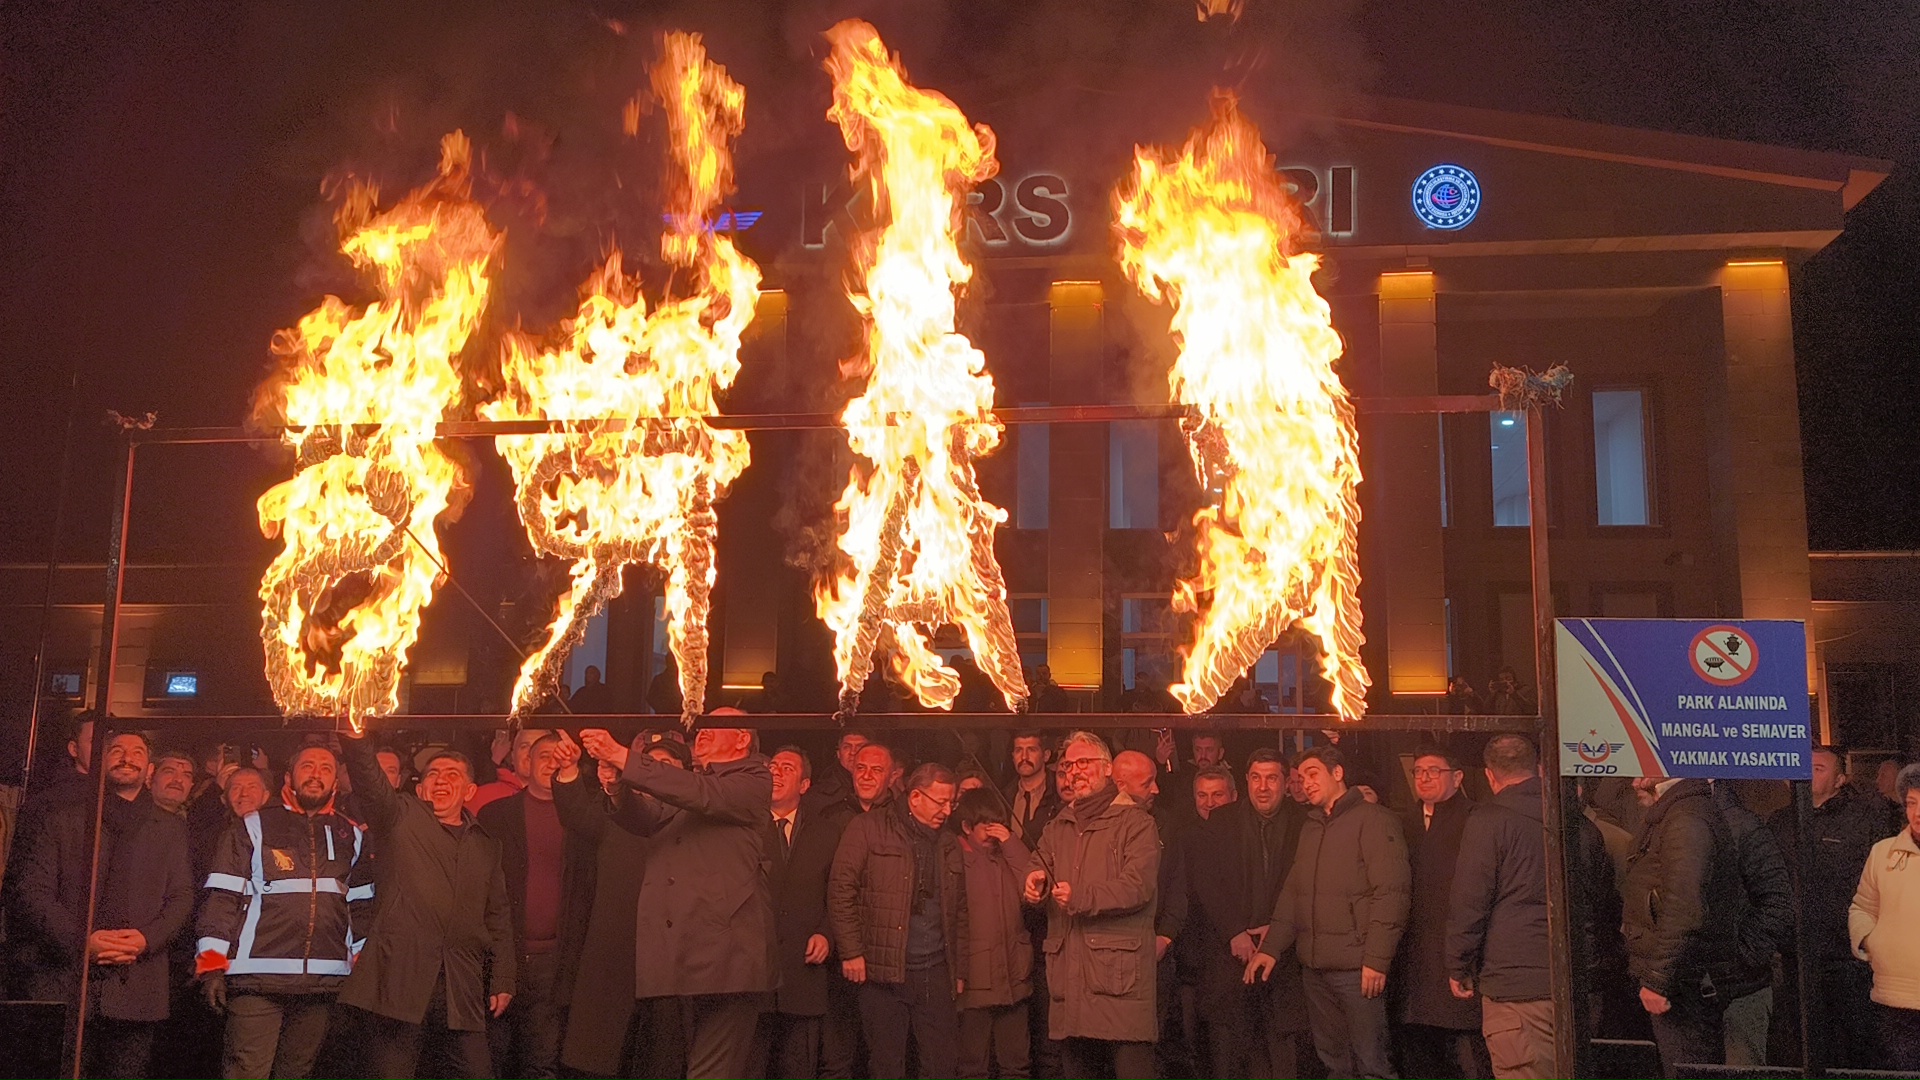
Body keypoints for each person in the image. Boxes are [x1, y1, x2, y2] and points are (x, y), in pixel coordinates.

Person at [579, 714, 775, 1080]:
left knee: (711, 1070)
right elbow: (649, 817)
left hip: (729, 954)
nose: (700, 732)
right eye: (699, 727)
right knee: (690, 1064)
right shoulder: (695, 782)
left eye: (713, 727)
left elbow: (703, 796)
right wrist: (618, 787)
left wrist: (624, 757)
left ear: (742, 740)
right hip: (687, 950)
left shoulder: (754, 778)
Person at [11, 729, 194, 1080]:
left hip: (138, 982)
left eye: (137, 751)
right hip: (67, 981)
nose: (127, 757)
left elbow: (181, 897)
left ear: (149, 768)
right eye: (116, 750)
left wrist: (145, 939)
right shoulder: (62, 819)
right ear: (99, 761)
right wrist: (84, 942)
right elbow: (34, 892)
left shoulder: (170, 828)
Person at [339, 736, 515, 1080]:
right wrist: (355, 736)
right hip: (400, 975)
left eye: (453, 775)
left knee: (476, 1072)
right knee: (393, 1073)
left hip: (460, 979)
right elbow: (369, 782)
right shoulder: (400, 817)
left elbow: (498, 916)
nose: (441, 780)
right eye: (433, 774)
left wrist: (504, 976)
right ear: (419, 789)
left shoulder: (486, 845)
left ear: (470, 791)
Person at [195, 744, 368, 1080]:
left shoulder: (353, 836)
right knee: (246, 1074)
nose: (316, 774)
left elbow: (362, 908)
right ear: (289, 776)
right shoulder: (252, 825)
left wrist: (360, 973)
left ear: (336, 781)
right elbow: (223, 898)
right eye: (307, 766)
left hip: (324, 983)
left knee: (296, 1075)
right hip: (257, 980)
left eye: (325, 768)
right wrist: (211, 967)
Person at [1246, 745, 1410, 1080]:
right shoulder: (1312, 826)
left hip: (1357, 969)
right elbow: (1295, 892)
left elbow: (1391, 894)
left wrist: (1376, 960)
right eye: (1301, 777)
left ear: (1338, 774)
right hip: (1316, 969)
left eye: (1313, 773)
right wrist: (1271, 948)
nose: (1305, 783)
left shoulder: (1374, 821)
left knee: (1372, 1064)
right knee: (1335, 1064)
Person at [1021, 731, 1161, 1080]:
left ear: (1108, 768)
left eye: (1084, 763)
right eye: (1068, 766)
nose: (1075, 772)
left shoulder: (1136, 823)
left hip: (1120, 983)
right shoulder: (1059, 826)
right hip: (1071, 981)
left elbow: (1137, 886)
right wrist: (1034, 881)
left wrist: (1082, 896)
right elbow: (1037, 863)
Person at [554, 737, 685, 1080]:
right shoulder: (615, 816)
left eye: (668, 767)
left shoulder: (696, 821)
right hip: (615, 958)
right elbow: (575, 813)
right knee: (603, 1058)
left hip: (675, 965)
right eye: (649, 765)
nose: (657, 774)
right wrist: (568, 769)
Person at [829, 762, 968, 1080]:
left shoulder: (947, 842)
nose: (947, 811)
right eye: (941, 802)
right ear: (916, 796)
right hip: (882, 971)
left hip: (935, 970)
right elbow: (841, 890)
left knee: (942, 1065)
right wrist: (851, 951)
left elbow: (958, 910)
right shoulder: (868, 827)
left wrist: (958, 969)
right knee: (886, 1065)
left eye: (952, 802)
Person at [477, 732, 595, 1080]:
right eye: (544, 756)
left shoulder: (584, 818)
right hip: (499, 957)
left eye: (559, 757)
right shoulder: (495, 815)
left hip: (556, 960)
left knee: (542, 1062)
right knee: (491, 1059)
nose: (551, 763)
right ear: (526, 763)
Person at [1186, 748, 1309, 1080]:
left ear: (1286, 783)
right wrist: (1234, 931)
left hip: (1285, 960)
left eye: (1271, 778)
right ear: (1246, 782)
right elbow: (1206, 880)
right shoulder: (1222, 820)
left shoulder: (1305, 823)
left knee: (1283, 1058)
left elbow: (1309, 884)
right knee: (1230, 1058)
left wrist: (1279, 931)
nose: (1263, 786)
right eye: (1256, 778)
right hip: (1230, 958)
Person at [1767, 745, 1891, 1066]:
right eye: (1805, 767)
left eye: (1820, 768)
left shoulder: (1863, 821)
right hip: (1795, 957)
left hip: (1847, 959)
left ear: (1840, 780)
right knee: (1801, 1045)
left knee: (1852, 1047)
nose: (1809, 774)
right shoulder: (1780, 823)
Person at [1621, 776, 1746, 1080]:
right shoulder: (1678, 812)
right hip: (1681, 976)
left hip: (1682, 983)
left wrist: (1659, 979)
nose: (1635, 781)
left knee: (1686, 1068)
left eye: (1643, 769)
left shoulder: (1686, 817)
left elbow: (1684, 907)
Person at [1446, 734, 1552, 1080]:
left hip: (1514, 984)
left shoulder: (1488, 821)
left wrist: (1458, 963)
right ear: (1537, 769)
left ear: (1490, 776)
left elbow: (1470, 899)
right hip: (1574, 981)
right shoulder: (1573, 816)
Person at [755, 746, 854, 1080]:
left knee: (797, 1069)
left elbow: (838, 893)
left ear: (805, 785)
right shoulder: (745, 830)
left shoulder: (827, 833)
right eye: (773, 766)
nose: (777, 772)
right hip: (753, 975)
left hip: (804, 976)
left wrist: (827, 933)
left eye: (787, 768)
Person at [1395, 747, 1488, 1080]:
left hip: (1459, 953)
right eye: (1418, 771)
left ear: (1457, 777)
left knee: (1467, 1053)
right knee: (1419, 1051)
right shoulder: (1403, 822)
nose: (1424, 778)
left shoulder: (1476, 819)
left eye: (1433, 771)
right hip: (1413, 958)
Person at [1709, 781, 1793, 1066]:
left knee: (1742, 1064)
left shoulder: (1743, 826)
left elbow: (1777, 900)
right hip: (1695, 984)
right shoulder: (1671, 821)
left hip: (1741, 983)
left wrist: (1742, 956)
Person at [953, 787, 1033, 1080]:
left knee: (1016, 1064)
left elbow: (1033, 880)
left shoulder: (1007, 856)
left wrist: (1011, 841)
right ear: (966, 827)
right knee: (973, 1065)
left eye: (997, 824)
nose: (992, 832)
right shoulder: (955, 858)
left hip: (1014, 975)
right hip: (976, 979)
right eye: (985, 825)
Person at [1850, 762, 1920, 1069]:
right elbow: (1863, 906)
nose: (1917, 813)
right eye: (1911, 803)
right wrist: (1870, 940)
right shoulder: (1884, 853)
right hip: (1894, 1000)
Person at [470, 728, 548, 814]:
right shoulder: (481, 797)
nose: (530, 753)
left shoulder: (561, 799)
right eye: (524, 746)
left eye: (539, 746)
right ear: (512, 757)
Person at [149, 749, 196, 816]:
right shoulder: (133, 817)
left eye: (186, 775)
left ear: (191, 785)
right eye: (169, 772)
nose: (178, 779)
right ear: (151, 777)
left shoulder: (193, 823)